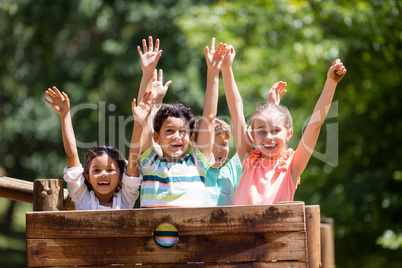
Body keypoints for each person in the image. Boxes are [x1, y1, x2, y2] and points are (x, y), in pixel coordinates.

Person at [221, 46, 347, 205]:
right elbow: (236, 112)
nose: (269, 137)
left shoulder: (292, 166)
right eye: (261, 131)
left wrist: (331, 83)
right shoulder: (248, 158)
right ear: (252, 135)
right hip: (243, 229)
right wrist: (226, 69)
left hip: (278, 229)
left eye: (275, 130)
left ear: (289, 133)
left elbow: (315, 124)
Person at [133, 37, 228, 208]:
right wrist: (148, 72)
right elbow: (143, 113)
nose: (177, 136)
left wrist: (213, 72)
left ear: (192, 138)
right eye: (169, 131)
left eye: (183, 132)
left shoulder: (197, 163)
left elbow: (210, 117)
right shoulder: (150, 163)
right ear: (156, 137)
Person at [44, 86, 141, 210]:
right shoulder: (82, 198)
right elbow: (72, 155)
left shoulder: (125, 200)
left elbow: (133, 163)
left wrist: (139, 123)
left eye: (110, 170)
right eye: (96, 170)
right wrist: (65, 115)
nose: (103, 174)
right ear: (88, 177)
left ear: (121, 176)